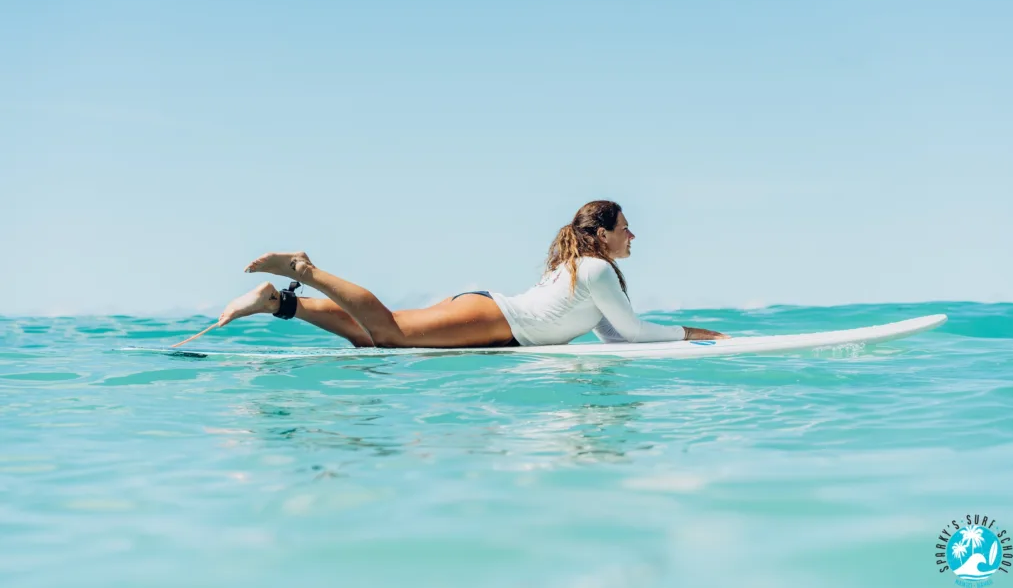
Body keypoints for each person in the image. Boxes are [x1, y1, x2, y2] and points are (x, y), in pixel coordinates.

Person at [186, 200, 727, 349]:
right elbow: (631, 333)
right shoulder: (593, 267)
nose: (633, 237)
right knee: (391, 333)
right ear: (602, 233)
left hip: (494, 316)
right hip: (496, 318)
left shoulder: (583, 268)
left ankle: (279, 302)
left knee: (375, 336)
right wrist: (696, 335)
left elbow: (612, 333)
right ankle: (306, 271)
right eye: (626, 229)